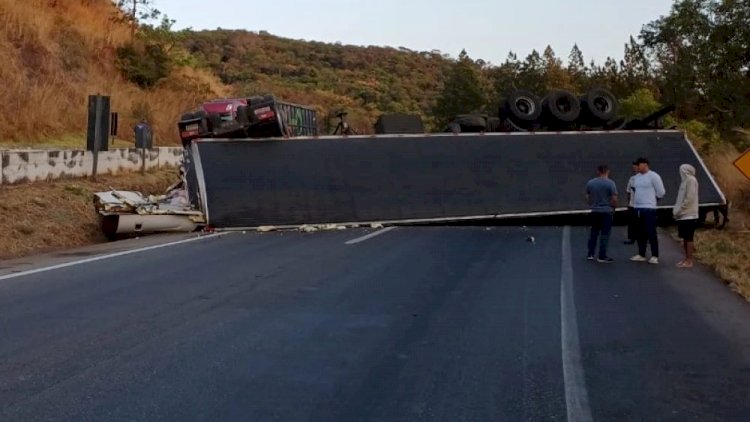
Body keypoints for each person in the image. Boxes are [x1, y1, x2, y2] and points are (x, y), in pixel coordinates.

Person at [630, 157, 666, 264]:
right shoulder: (636, 177)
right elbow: (635, 190)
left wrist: (653, 200)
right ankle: (641, 253)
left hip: (649, 208)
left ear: (645, 164)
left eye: (639, 165)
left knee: (651, 232)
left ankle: (655, 255)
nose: (637, 167)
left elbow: (661, 192)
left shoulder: (654, 176)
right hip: (637, 207)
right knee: (640, 233)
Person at [586, 165, 618, 263]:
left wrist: (592, 204)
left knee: (594, 232)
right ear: (607, 171)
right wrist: (613, 207)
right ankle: (602, 255)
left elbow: (587, 196)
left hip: (595, 211)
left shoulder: (591, 183)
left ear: (598, 171)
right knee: (605, 234)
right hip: (606, 211)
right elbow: (614, 198)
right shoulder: (610, 183)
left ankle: (590, 253)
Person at [673, 164, 699, 268]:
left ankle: (690, 260)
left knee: (689, 237)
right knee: (684, 237)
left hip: (689, 214)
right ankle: (686, 258)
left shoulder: (691, 180)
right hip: (682, 215)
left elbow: (690, 197)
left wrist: (681, 209)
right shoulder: (684, 182)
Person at [624, 161, 639, 244]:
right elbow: (628, 191)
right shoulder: (631, 179)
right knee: (632, 222)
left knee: (642, 222)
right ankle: (632, 238)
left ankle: (645, 238)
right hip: (632, 204)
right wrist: (629, 203)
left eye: (635, 167)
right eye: (633, 168)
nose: (634, 169)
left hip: (642, 205)